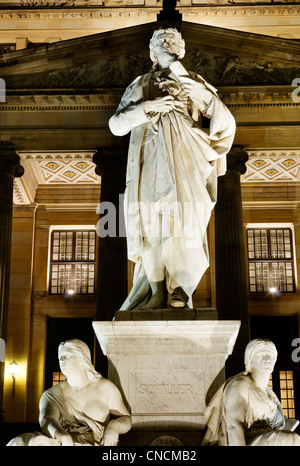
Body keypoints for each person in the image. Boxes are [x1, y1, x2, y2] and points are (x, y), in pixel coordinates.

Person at [109, 27, 236, 311]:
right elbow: (116, 125)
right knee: (150, 225)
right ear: (152, 52)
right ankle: (155, 291)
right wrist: (148, 107)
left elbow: (217, 114)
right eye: (161, 43)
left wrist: (177, 70)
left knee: (183, 224)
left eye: (173, 42)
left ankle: (179, 288)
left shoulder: (193, 82)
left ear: (181, 50)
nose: (167, 45)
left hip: (186, 160)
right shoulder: (140, 84)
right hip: (150, 161)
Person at [7, 339, 132, 446]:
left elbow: (125, 418)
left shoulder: (105, 388)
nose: (61, 360)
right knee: (21, 441)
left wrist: (113, 428)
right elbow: (47, 419)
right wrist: (63, 437)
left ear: (81, 357)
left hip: (96, 443)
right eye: (59, 357)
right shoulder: (53, 394)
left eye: (66, 355)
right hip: (64, 443)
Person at [202, 339, 300, 446]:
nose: (268, 359)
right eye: (262, 355)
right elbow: (234, 426)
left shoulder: (270, 394)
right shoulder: (239, 385)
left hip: (268, 438)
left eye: (271, 355)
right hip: (247, 440)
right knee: (290, 438)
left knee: (294, 439)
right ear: (251, 360)